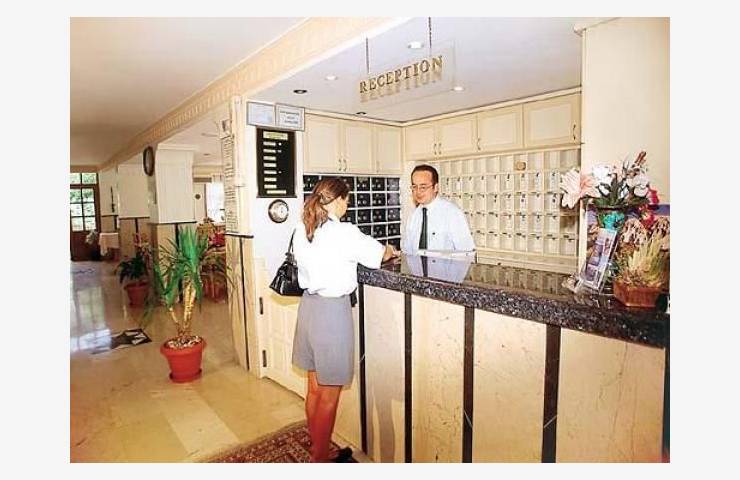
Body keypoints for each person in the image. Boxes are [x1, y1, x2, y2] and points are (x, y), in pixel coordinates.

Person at [292, 177, 399, 462]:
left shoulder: (302, 228)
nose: (348, 204)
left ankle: (318, 448)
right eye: (347, 199)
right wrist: (392, 250)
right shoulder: (345, 232)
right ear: (337, 199)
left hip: (308, 310)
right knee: (330, 395)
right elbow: (380, 254)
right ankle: (320, 460)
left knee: (314, 389)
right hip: (331, 314)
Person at [401, 164, 475, 254]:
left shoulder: (452, 213)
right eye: (414, 187)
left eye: (423, 187)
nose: (418, 191)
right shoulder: (413, 215)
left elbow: (467, 253)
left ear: (436, 187)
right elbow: (408, 251)